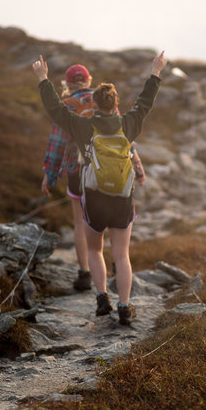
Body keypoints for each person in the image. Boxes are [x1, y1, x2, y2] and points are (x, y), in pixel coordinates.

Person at [32, 51, 167, 325]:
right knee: (122, 254)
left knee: (94, 250)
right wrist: (156, 70)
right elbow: (145, 102)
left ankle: (102, 297)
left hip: (93, 198)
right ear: (115, 104)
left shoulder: (83, 127)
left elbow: (55, 110)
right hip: (121, 199)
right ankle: (125, 307)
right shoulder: (129, 123)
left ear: (94, 103)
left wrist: (43, 78)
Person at [41, 64, 147, 292]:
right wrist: (137, 166)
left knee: (82, 223)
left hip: (78, 170)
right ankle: (119, 281)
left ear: (68, 84)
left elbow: (56, 144)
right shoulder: (105, 99)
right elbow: (122, 136)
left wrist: (49, 176)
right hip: (115, 174)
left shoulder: (68, 106)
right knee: (118, 237)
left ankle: (85, 273)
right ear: (89, 80)